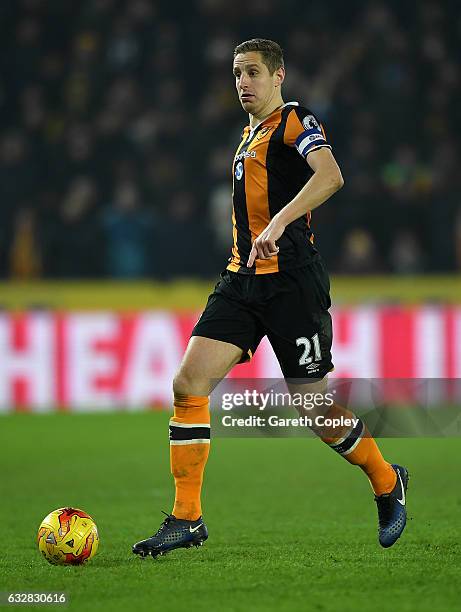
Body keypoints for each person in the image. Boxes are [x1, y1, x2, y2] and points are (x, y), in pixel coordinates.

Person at [132, 38, 408, 558]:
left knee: (314, 409)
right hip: (242, 280)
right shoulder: (248, 135)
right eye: (237, 73)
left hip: (292, 283)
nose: (242, 82)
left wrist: (280, 221)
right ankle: (187, 519)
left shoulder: (293, 121)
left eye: (253, 72)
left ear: (278, 76)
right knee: (189, 383)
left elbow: (332, 175)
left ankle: (387, 480)